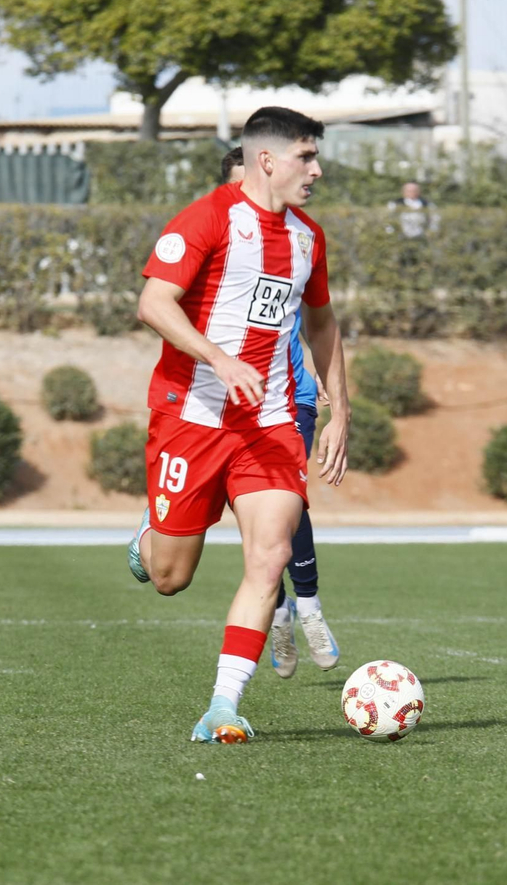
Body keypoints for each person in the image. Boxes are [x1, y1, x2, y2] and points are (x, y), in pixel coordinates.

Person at [127, 107, 351, 743]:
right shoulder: (207, 218)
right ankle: (149, 536)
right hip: (190, 418)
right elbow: (153, 302)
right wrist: (219, 359)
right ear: (268, 161)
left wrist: (339, 412)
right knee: (171, 577)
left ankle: (224, 704)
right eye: (307, 157)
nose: (317, 170)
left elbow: (323, 323)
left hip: (271, 421)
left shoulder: (309, 237)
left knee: (271, 553)